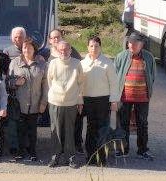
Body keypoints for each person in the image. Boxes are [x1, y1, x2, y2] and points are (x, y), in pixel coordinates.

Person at [113, 32, 155, 160]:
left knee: (142, 124)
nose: (132, 45)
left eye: (135, 43)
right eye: (130, 42)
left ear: (141, 45)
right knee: (123, 123)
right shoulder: (121, 56)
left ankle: (142, 150)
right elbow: (114, 77)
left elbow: (152, 76)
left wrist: (148, 91)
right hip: (124, 97)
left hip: (142, 98)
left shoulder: (149, 57)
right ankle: (122, 149)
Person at [77, 35, 115, 165]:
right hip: (87, 100)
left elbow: (114, 83)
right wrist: (80, 100)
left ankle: (102, 157)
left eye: (96, 46)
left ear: (100, 47)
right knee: (90, 128)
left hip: (103, 100)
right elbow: (79, 84)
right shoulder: (82, 64)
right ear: (87, 47)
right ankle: (91, 156)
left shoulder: (107, 63)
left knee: (103, 129)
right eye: (91, 46)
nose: (94, 48)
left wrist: (114, 100)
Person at [8, 38, 48, 163]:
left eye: (29, 47)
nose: (26, 50)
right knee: (20, 129)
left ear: (34, 49)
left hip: (35, 104)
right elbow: (8, 82)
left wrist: (43, 103)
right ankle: (20, 152)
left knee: (32, 130)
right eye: (24, 47)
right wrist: (16, 82)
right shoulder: (15, 62)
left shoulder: (41, 63)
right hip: (19, 104)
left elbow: (45, 85)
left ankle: (32, 152)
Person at [46, 40, 84, 167]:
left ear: (70, 50)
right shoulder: (53, 63)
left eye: (66, 49)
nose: (63, 52)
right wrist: (58, 93)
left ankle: (70, 157)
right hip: (55, 101)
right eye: (61, 49)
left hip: (71, 102)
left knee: (69, 131)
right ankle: (55, 156)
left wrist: (79, 100)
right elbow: (49, 81)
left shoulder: (77, 63)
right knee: (55, 130)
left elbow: (80, 83)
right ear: (57, 50)